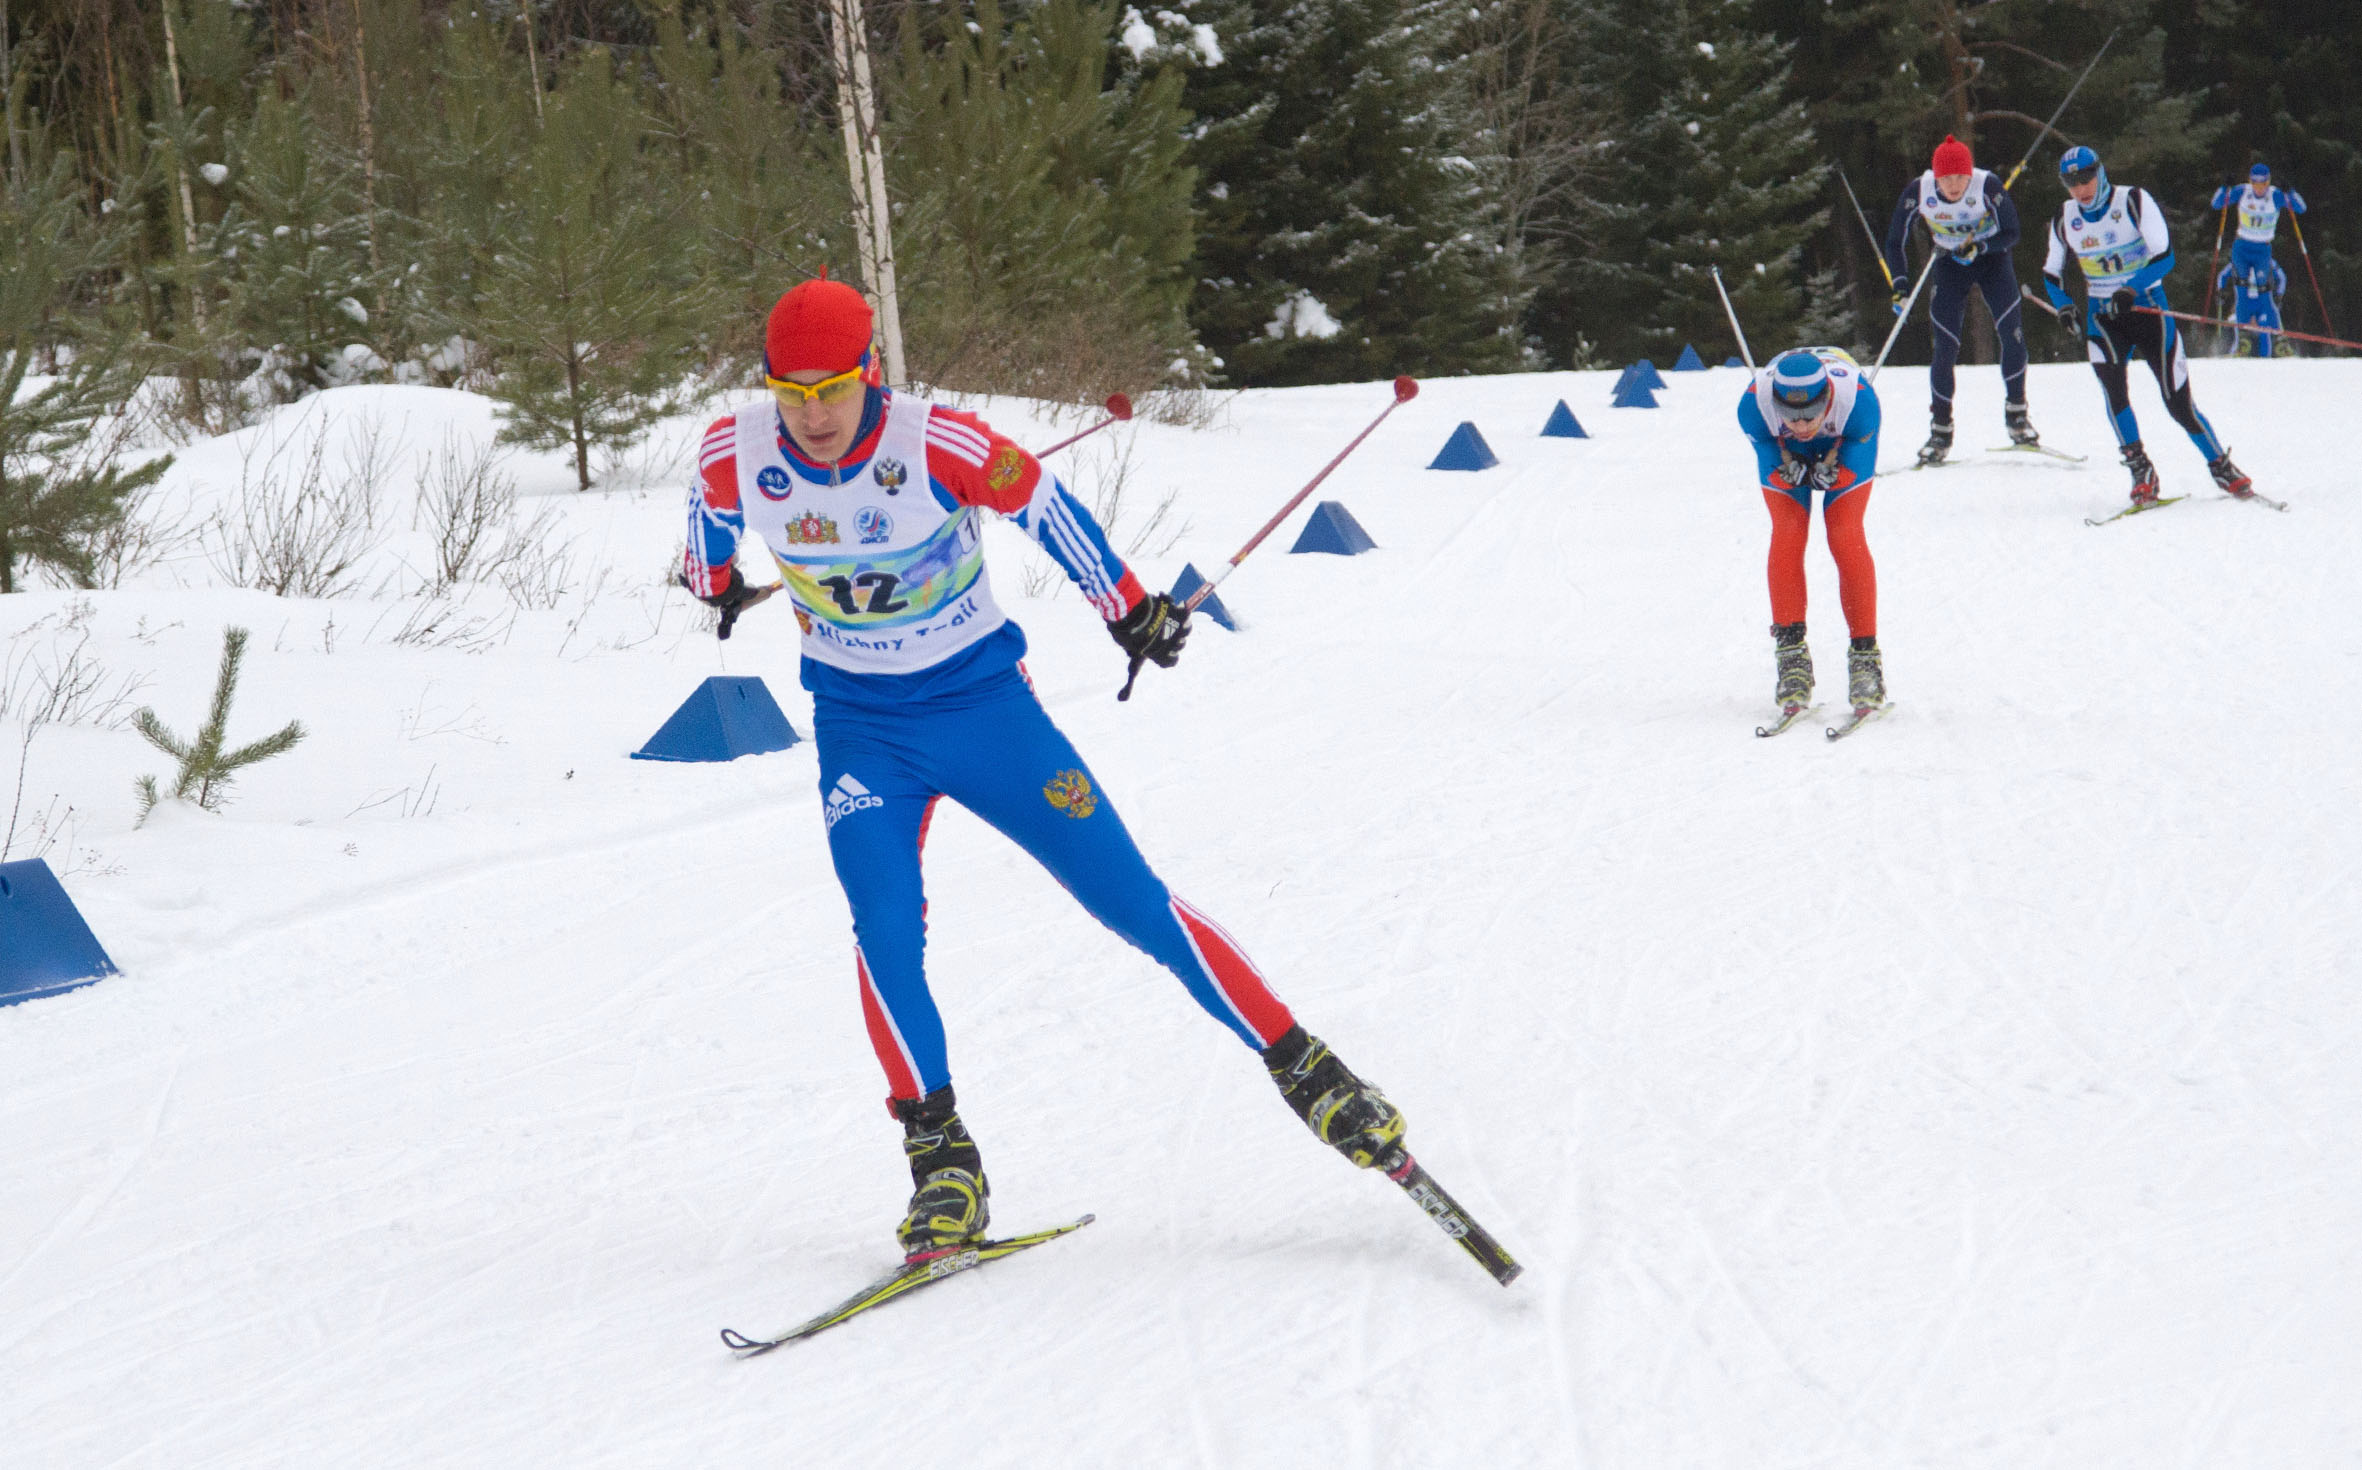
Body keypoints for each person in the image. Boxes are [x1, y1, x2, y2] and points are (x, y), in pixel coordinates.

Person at [682, 277, 1409, 1259]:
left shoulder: (938, 442)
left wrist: (1128, 607)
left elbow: (1047, 505)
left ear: (871, 374)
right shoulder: (738, 451)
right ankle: (942, 1164)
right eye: (790, 391)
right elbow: (705, 528)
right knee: (883, 929)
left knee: (1132, 904)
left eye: (832, 389)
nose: (810, 413)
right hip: (860, 731)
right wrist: (715, 580)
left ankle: (1313, 1074)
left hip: (984, 716)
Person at [2041, 145, 2256, 506]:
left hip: (2148, 310)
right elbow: (2051, 272)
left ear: (2100, 172)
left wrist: (2132, 288)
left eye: (2086, 177)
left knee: (2177, 401)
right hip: (2102, 318)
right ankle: (2141, 470)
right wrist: (2063, 306)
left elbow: (2164, 256)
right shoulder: (2065, 219)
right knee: (2113, 390)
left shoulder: (2133, 201)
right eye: (2071, 182)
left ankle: (2220, 464)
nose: (2081, 188)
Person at [1736, 348, 1885, 717]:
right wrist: (1790, 462)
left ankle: (1866, 659)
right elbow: (1769, 443)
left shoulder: (1859, 403)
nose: (1802, 425)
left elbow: (1857, 441)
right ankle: (1791, 659)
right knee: (1787, 532)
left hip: (1845, 439)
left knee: (1844, 534)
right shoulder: (1753, 407)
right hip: (1779, 446)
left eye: (1810, 414)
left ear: (1828, 399)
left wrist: (1832, 465)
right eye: (1790, 415)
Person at [1881, 134, 2039, 466]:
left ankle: (2017, 415)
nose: (1954, 186)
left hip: (1992, 259)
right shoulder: (1918, 191)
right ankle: (1941, 430)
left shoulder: (1987, 185)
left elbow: (2011, 231)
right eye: (1946, 178)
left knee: (2011, 334)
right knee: (1945, 347)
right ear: (1935, 177)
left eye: (1960, 178)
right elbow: (1896, 240)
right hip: (1949, 263)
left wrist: (1981, 247)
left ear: (1970, 174)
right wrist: (1900, 286)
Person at [2210, 164, 2306, 358]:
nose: (2259, 187)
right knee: (2241, 291)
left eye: (2263, 183)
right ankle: (2242, 343)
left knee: (2265, 293)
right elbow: (2217, 204)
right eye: (2255, 182)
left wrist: (2290, 191)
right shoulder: (2242, 191)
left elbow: (2300, 208)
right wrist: (2224, 187)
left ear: (2268, 181)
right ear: (2250, 180)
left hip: (2262, 249)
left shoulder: (2275, 196)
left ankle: (2277, 342)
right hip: (2242, 247)